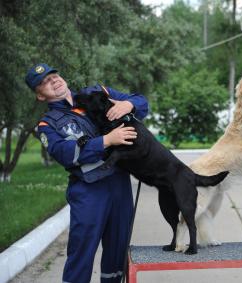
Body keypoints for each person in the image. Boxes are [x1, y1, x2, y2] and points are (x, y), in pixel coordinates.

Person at [25, 63, 149, 283]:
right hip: (89, 191)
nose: (52, 81)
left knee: (117, 251)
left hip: (120, 185)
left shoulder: (97, 93)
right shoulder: (47, 124)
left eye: (54, 75)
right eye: (44, 82)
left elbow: (141, 101)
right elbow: (64, 153)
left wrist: (128, 104)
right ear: (39, 96)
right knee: (81, 253)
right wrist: (106, 141)